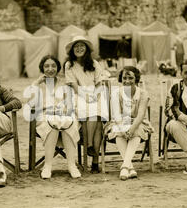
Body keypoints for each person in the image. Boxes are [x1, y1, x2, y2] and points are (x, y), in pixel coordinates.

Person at [29, 55, 81, 179]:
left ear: (58, 68)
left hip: (63, 114)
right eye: (46, 66)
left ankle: (71, 165)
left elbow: (70, 103)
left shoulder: (64, 83)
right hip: (44, 115)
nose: (50, 69)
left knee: (69, 122)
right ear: (42, 68)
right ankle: (47, 165)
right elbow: (32, 104)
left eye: (53, 66)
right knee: (51, 123)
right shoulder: (38, 84)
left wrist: (63, 110)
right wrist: (36, 84)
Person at [64, 35, 107, 173]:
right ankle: (94, 158)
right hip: (79, 95)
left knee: (97, 118)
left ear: (87, 49)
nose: (79, 48)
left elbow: (100, 83)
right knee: (94, 116)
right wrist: (86, 96)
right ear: (72, 50)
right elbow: (74, 86)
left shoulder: (94, 63)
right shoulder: (69, 65)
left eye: (82, 46)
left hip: (96, 93)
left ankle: (91, 150)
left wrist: (95, 95)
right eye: (76, 46)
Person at [104, 66, 153, 180]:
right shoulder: (116, 93)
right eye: (124, 78)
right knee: (117, 131)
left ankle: (125, 166)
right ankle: (129, 167)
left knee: (136, 129)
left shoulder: (143, 94)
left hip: (137, 122)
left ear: (136, 79)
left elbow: (140, 115)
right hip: (119, 122)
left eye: (130, 78)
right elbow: (116, 115)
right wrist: (123, 128)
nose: (127, 81)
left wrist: (131, 129)